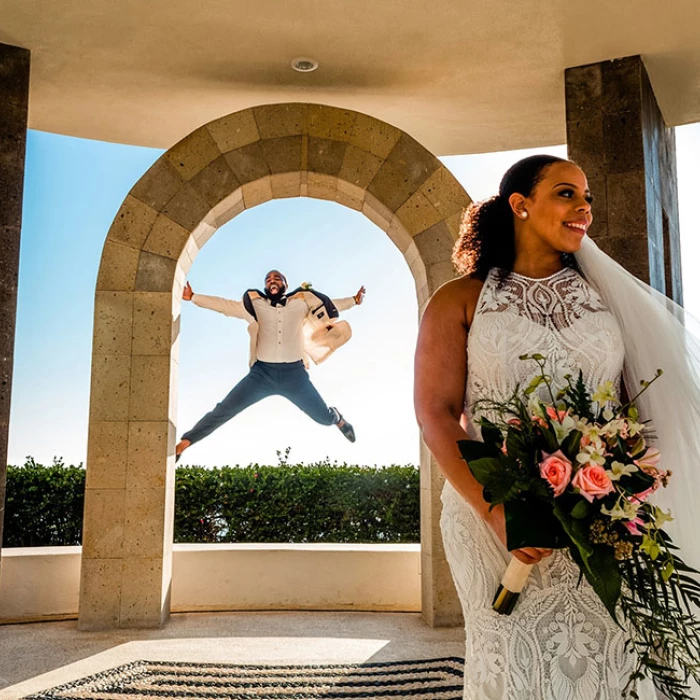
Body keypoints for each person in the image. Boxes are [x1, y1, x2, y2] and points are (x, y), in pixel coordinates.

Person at [414, 155, 660, 699]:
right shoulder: (461, 299)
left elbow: (630, 409)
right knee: (514, 666)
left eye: (588, 197)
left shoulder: (608, 302)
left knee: (614, 661)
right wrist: (497, 511)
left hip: (600, 518)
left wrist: (627, 484)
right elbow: (435, 411)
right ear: (520, 205)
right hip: (490, 519)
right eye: (567, 193)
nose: (584, 208)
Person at [176, 270, 366, 462]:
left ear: (285, 283)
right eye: (268, 279)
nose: (272, 281)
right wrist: (193, 297)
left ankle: (339, 419)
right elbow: (226, 306)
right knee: (224, 409)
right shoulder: (255, 304)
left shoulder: (300, 303)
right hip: (261, 375)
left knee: (323, 418)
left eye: (277, 278)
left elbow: (331, 305)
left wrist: (353, 300)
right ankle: (184, 443)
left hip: (295, 376)